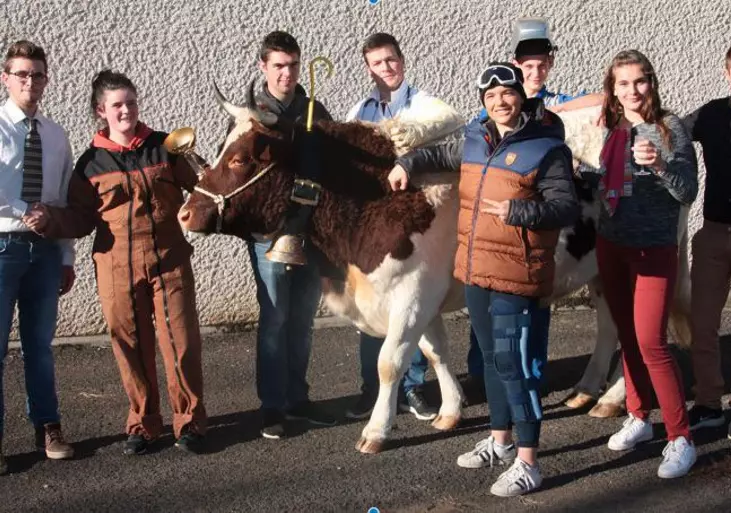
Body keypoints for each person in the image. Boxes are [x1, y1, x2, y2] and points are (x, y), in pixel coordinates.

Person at [387, 62, 578, 497]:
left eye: (507, 93)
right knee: (491, 361)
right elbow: (438, 155)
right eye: (490, 97)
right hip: (476, 272)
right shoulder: (474, 140)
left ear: (521, 97)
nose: (500, 101)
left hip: (518, 273)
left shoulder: (546, 148)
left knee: (517, 365)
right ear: (483, 102)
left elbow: (564, 206)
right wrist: (405, 163)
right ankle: (500, 441)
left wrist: (519, 212)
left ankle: (529, 462)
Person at [27, 70, 208, 456]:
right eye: (117, 105)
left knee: (181, 341)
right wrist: (49, 221)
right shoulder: (90, 164)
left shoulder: (166, 147)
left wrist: (212, 171)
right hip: (116, 263)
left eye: (131, 102)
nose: (126, 110)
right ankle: (144, 424)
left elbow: (203, 187)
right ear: (101, 111)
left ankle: (189, 421)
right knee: (129, 344)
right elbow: (79, 217)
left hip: (170, 257)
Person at [465, 18, 604, 404]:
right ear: (515, 63)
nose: (536, 69)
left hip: (537, 226)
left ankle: (532, 377)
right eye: (528, 63)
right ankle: (487, 382)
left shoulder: (553, 115)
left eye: (542, 62)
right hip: (495, 230)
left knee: (536, 305)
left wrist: (559, 108)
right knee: (489, 314)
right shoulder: (494, 105)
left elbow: (602, 100)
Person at [580, 50, 698, 478]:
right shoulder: (613, 127)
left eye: (639, 81)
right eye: (622, 83)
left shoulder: (670, 128)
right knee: (627, 338)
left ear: (651, 82)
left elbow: (687, 192)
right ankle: (639, 416)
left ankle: (680, 437)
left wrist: (662, 165)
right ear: (613, 88)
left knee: (652, 342)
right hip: (612, 246)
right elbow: (611, 183)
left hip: (653, 251)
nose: (632, 90)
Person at [344, 32, 463, 421]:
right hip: (374, 223)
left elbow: (451, 124)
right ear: (368, 68)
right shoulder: (360, 109)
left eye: (391, 60)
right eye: (378, 63)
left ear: (402, 61)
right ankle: (373, 391)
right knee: (374, 309)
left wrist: (401, 137)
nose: (386, 68)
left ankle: (412, 389)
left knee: (412, 304)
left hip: (415, 222)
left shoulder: (424, 103)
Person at [233, 31, 335, 440]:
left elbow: (332, 168)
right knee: (274, 319)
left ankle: (299, 399)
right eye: (278, 65)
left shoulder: (315, 109)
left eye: (292, 65)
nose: (287, 73)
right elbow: (239, 172)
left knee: (303, 321)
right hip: (268, 236)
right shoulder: (250, 113)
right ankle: (272, 406)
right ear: (264, 67)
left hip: (310, 234)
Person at [0, 40, 76, 475]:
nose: (31, 81)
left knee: (39, 349)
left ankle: (47, 425)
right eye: (22, 73)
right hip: (4, 247)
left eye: (38, 74)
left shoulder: (55, 134)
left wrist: (65, 256)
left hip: (45, 253)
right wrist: (22, 211)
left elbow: (62, 199)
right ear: (6, 77)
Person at [685, 39, 731, 441]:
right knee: (701, 323)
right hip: (711, 231)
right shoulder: (710, 114)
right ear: (728, 74)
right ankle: (707, 401)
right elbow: (667, 130)